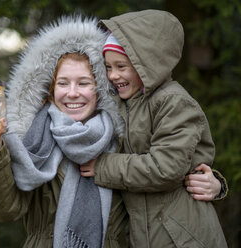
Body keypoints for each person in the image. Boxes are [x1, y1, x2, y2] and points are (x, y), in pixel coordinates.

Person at [0, 16, 226, 248]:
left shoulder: (121, 136)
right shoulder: (31, 143)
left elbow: (163, 168)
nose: (73, 93)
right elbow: (4, 209)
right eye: (63, 83)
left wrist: (214, 182)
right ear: (51, 91)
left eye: (84, 83)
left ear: (100, 87)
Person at [83, 9, 227, 247]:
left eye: (121, 66)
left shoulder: (173, 101)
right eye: (108, 67)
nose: (112, 75)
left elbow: (166, 167)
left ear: (147, 64)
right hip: (144, 234)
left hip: (182, 236)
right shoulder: (120, 103)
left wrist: (102, 166)